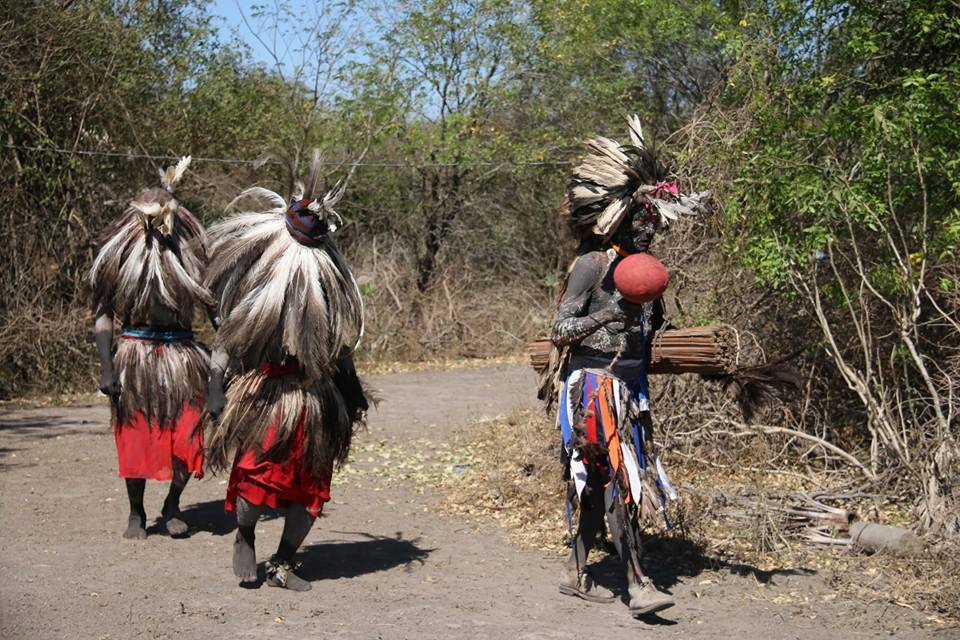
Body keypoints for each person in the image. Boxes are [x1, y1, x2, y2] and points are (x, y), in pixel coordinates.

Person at [550, 116, 707, 616]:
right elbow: (560, 330)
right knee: (621, 481)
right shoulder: (593, 265)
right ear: (620, 218)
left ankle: (577, 575)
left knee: (599, 486)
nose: (649, 227)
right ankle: (639, 585)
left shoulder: (646, 274)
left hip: (629, 391)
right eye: (641, 218)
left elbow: (647, 336)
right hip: (594, 389)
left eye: (654, 221)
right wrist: (609, 311)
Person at [204, 152, 369, 591]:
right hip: (268, 395)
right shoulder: (262, 281)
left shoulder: (328, 281)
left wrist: (351, 392)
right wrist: (215, 385)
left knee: (311, 489)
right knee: (258, 478)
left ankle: (283, 562)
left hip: (316, 399)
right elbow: (231, 336)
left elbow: (340, 343)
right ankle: (244, 534)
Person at [89, 157, 216, 539]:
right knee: (136, 437)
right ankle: (136, 512)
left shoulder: (192, 256)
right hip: (136, 356)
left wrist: (227, 358)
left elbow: (214, 310)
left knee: (189, 433)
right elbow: (103, 313)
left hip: (183, 356)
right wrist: (108, 368)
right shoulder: (118, 256)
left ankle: (173, 504)